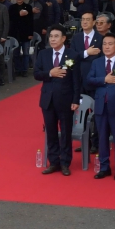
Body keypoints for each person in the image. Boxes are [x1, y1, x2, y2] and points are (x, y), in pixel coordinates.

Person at [85, 33, 115, 180]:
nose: (107, 46)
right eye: (104, 44)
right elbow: (89, 80)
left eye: (110, 44)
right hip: (100, 105)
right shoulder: (96, 62)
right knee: (102, 138)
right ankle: (104, 167)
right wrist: (104, 79)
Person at [34, 24, 81, 176]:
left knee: (66, 132)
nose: (53, 39)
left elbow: (76, 80)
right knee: (51, 132)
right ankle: (53, 161)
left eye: (56, 36)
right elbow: (36, 74)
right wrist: (50, 73)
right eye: (51, 36)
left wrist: (75, 100)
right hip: (47, 99)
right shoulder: (43, 54)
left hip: (66, 99)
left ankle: (65, 162)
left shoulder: (72, 55)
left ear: (63, 38)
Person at [8, 0, 34, 76]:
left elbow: (31, 21)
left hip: (26, 33)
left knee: (26, 53)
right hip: (15, 33)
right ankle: (18, 69)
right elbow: (11, 19)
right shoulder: (11, 8)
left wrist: (31, 34)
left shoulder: (29, 7)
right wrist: (19, 14)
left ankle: (24, 70)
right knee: (16, 53)